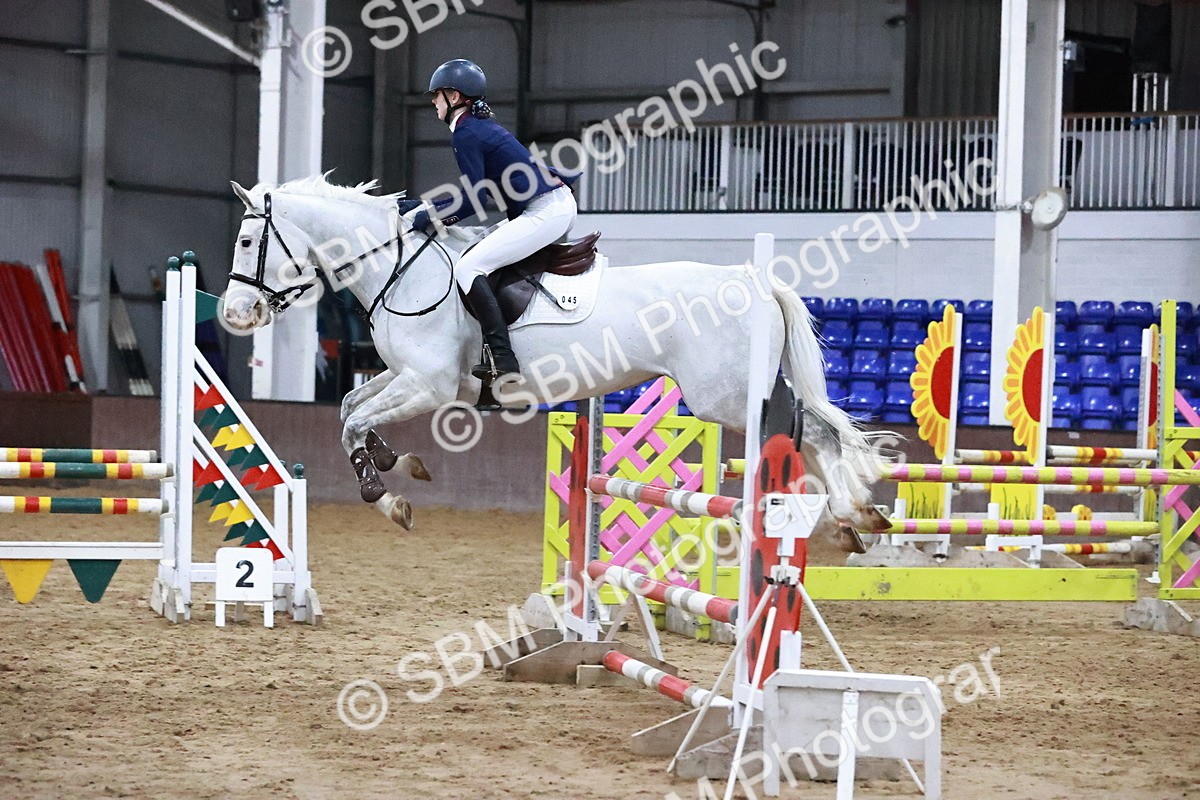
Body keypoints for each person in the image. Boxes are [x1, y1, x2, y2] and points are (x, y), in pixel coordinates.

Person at [414, 58, 577, 383]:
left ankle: (502, 357)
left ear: (455, 97)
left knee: (467, 267)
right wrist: (422, 207)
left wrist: (430, 217)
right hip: (545, 207)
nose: (433, 101)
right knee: (474, 253)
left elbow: (475, 199)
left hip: (547, 210)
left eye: (437, 95)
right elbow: (471, 192)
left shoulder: (466, 134)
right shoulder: (473, 128)